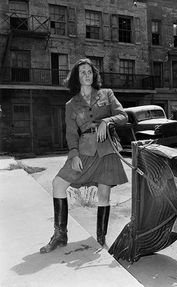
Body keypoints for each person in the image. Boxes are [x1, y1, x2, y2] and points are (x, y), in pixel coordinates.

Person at [40, 58, 128, 253]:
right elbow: (71, 133)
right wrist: (74, 155)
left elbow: (123, 116)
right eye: (82, 72)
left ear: (94, 75)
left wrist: (107, 121)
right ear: (76, 77)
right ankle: (60, 234)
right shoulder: (71, 104)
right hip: (84, 150)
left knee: (104, 194)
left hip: (106, 150)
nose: (86, 75)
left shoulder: (106, 94)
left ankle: (101, 239)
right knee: (58, 184)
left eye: (89, 71)